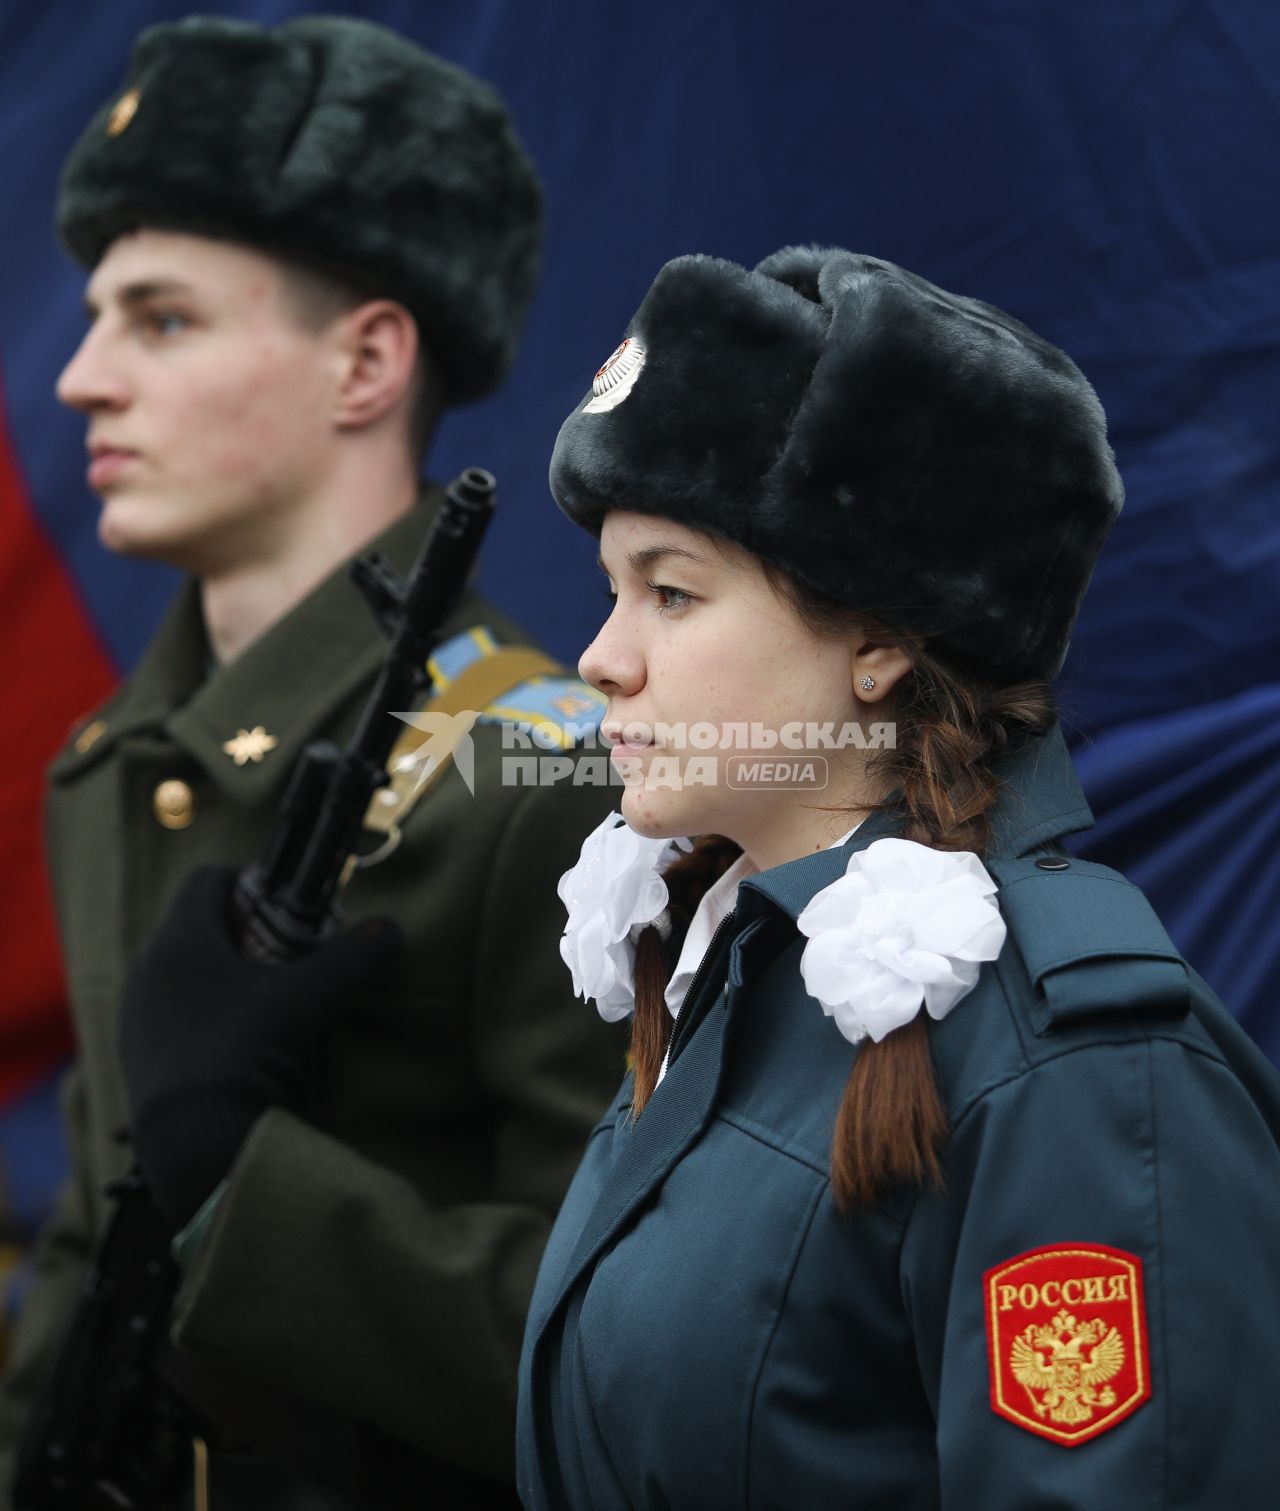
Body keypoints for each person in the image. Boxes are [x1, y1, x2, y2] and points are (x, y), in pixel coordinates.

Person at [515, 247, 1280, 1509]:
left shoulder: (1069, 1062)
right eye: (611, 589)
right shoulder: (737, 964)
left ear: (877, 638)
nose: (600, 657)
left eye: (669, 590)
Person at [0, 16, 624, 1511]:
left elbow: (615, 1345)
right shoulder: (108, 771)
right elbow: (93, 1240)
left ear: (365, 360)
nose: (82, 375)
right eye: (92, 317)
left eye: (160, 319)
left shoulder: (550, 774)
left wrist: (244, 1183)